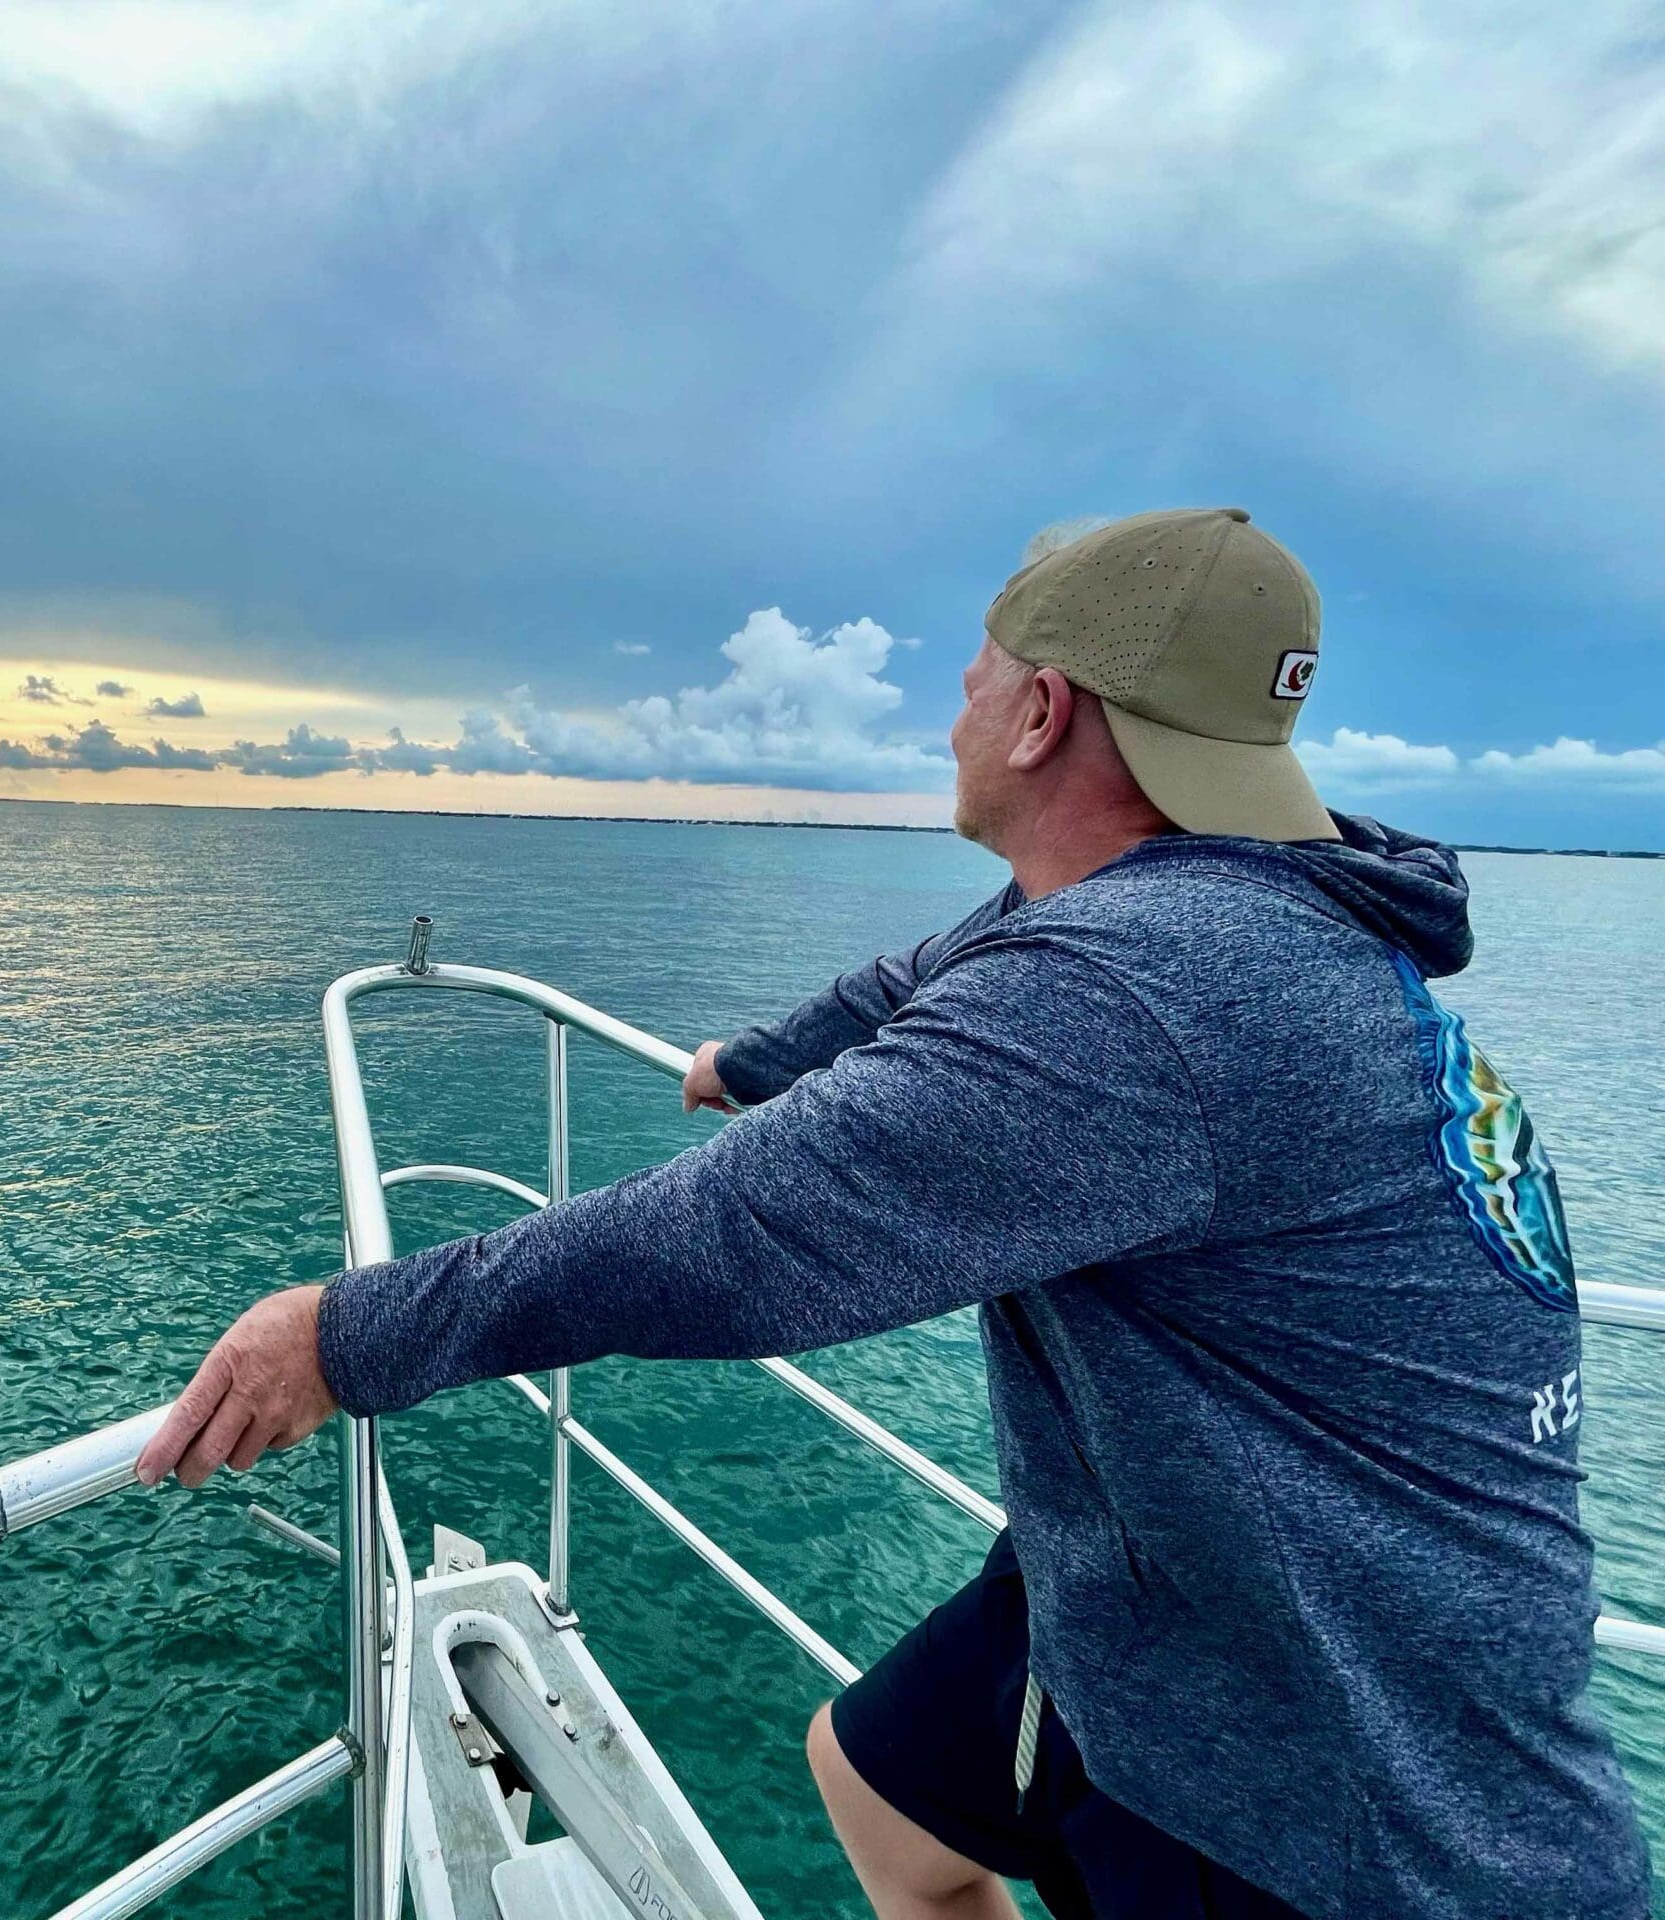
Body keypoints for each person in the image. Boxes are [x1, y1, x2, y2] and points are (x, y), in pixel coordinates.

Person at [131, 508, 1651, 1920]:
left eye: (974, 681)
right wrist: (752, 1061)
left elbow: (731, 1242)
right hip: (1163, 1595)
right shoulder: (1201, 897)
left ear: (1043, 712)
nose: (953, 717)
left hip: (1340, 1770)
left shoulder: (1143, 991)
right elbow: (924, 978)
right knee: (877, 1782)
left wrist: (341, 1333)